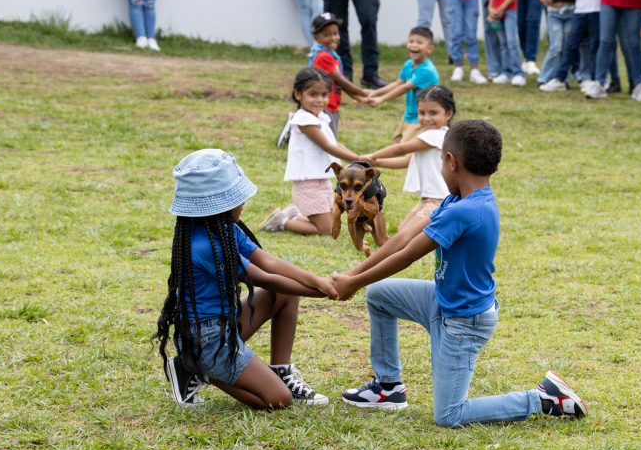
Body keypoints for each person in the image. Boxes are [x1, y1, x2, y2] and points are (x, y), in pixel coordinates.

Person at [331, 120, 587, 426]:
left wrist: (354, 283)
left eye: (440, 160)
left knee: (450, 415)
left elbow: (407, 255)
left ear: (451, 161)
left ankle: (543, 398)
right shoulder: (460, 200)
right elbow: (401, 239)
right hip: (442, 301)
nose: (441, 167)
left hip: (464, 323)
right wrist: (352, 274)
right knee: (380, 295)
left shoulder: (464, 212)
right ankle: (388, 387)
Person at [154, 149, 335, 409]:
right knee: (278, 400)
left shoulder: (225, 227)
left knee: (285, 295)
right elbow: (266, 278)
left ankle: (281, 368)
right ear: (221, 204)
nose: (244, 203)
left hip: (225, 322)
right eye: (239, 198)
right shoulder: (205, 245)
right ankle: (196, 367)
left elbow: (269, 262)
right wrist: (325, 292)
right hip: (207, 338)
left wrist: (319, 281)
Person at [261, 68, 360, 235]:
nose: (320, 100)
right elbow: (328, 147)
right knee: (327, 229)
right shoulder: (304, 119)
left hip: (320, 180)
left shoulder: (319, 117)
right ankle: (283, 222)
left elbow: (334, 143)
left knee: (333, 220)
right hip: (308, 184)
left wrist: (357, 159)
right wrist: (358, 157)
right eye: (313, 94)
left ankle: (293, 215)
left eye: (324, 95)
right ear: (298, 94)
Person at [362, 85, 455, 235]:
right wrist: (377, 162)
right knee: (402, 231)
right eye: (422, 112)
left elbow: (401, 149)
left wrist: (371, 156)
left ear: (448, 114)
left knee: (404, 236)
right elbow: (406, 161)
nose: (426, 118)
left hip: (438, 200)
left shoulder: (434, 136)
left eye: (433, 113)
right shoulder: (438, 136)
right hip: (433, 199)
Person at [366, 27, 440, 142]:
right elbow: (398, 83)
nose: (414, 45)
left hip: (421, 118)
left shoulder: (427, 71)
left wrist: (380, 99)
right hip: (408, 115)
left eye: (419, 42)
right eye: (411, 41)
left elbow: (404, 88)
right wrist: (374, 93)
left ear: (429, 48)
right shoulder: (408, 64)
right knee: (397, 142)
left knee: (406, 150)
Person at [307, 13, 370, 134]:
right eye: (327, 35)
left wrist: (359, 98)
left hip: (331, 106)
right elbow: (341, 80)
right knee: (328, 142)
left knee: (329, 140)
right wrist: (364, 93)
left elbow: (339, 83)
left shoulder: (331, 55)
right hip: (324, 108)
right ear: (316, 38)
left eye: (335, 33)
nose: (333, 38)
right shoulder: (323, 57)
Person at [536, 0, 577, 90]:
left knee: (566, 47)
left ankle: (562, 78)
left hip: (570, 13)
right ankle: (544, 77)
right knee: (555, 46)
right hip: (554, 14)